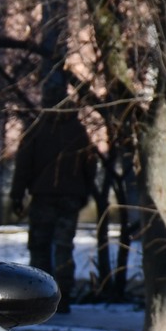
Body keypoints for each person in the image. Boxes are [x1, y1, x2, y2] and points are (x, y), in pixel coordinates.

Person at [9, 108, 98, 299]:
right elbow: (90, 163)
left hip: (43, 197)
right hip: (69, 198)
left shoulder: (38, 129)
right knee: (63, 246)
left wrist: (17, 195)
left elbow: (24, 164)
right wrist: (84, 192)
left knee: (40, 246)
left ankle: (40, 295)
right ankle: (62, 295)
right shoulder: (77, 130)